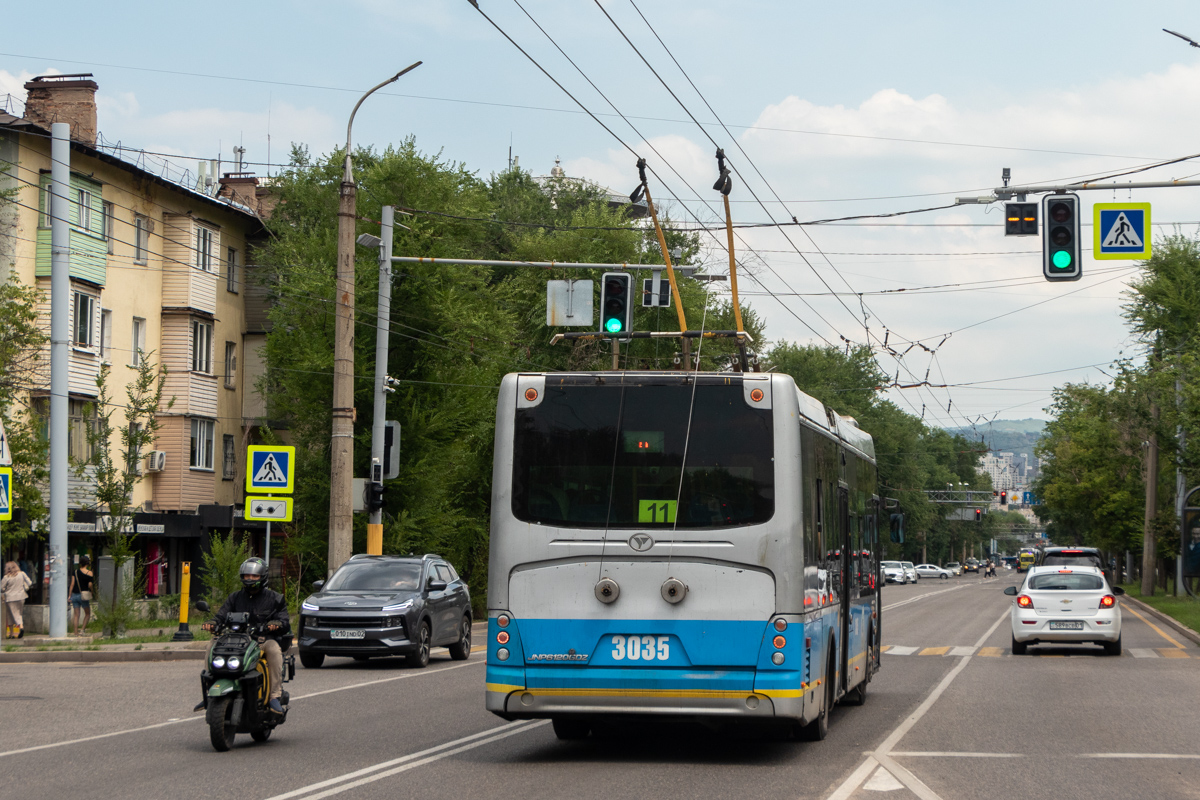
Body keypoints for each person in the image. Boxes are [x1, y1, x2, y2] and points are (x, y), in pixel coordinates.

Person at [203, 558, 290, 714]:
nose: (250, 579)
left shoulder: (275, 599)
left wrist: (276, 624)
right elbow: (221, 616)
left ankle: (274, 696)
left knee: (274, 650)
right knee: (212, 644)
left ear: (262, 576)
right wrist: (212, 623)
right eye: (247, 576)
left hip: (261, 641)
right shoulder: (234, 597)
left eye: (254, 576)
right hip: (236, 641)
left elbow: (284, 621)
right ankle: (210, 691)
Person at [1, 561, 33, 639]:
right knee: (17, 613)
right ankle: (11, 634)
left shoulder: (6, 577)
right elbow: (29, 583)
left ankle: (21, 627)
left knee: (12, 614)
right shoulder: (22, 574)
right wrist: (24, 587)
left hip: (10, 598)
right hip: (21, 596)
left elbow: (1, 588)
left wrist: (5, 589)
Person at [68, 556, 94, 636]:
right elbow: (90, 585)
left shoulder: (75, 572)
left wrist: (69, 596)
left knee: (76, 615)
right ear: (88, 563)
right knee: (87, 613)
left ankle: (75, 633)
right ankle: (82, 630)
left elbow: (72, 584)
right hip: (84, 596)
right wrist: (92, 591)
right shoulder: (89, 573)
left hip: (75, 595)